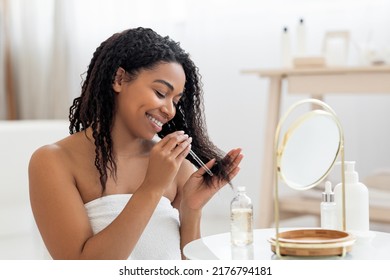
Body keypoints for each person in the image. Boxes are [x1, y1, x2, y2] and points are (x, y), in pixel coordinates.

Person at [28, 27, 243, 260]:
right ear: (119, 79)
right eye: (161, 93)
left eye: (176, 101)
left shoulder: (177, 165)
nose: (169, 110)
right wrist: (152, 187)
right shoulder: (53, 161)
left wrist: (191, 210)